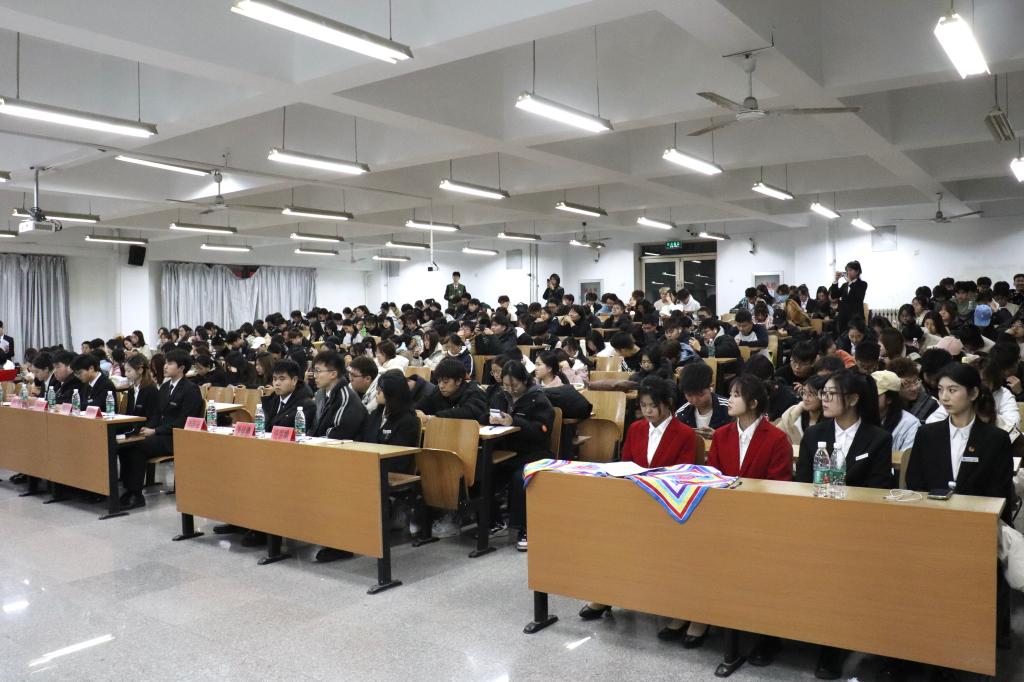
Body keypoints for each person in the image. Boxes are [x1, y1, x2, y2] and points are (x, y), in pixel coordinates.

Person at [904, 362, 1014, 652]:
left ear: (973, 393)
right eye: (941, 390)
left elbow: (1000, 492)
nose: (945, 397)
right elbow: (915, 482)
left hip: (977, 529)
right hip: (933, 526)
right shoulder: (928, 434)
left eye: (953, 390)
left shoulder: (995, 439)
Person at [578, 377, 698, 635]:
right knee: (609, 536)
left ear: (667, 404)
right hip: (634, 501)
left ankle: (677, 609)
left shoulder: (685, 434)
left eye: (653, 406)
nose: (648, 411)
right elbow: (626, 464)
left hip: (667, 506)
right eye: (643, 406)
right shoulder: (635, 429)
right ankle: (607, 594)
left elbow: (684, 475)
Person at [793, 369, 893, 679]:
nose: (823, 399)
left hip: (858, 528)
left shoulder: (877, 438)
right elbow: (801, 483)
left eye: (831, 394)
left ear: (852, 399)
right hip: (816, 522)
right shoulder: (815, 435)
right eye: (822, 393)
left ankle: (834, 644)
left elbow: (877, 492)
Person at [689, 374, 792, 671]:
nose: (729, 400)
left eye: (736, 395)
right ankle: (711, 617)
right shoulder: (722, 435)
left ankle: (768, 635)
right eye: (731, 394)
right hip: (725, 519)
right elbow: (712, 479)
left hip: (763, 524)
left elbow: (779, 487)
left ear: (754, 402)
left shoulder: (776, 438)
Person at [116, 350, 204, 509]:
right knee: (128, 444)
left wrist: (156, 431)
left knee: (138, 447)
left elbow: (184, 421)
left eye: (170, 363)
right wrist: (149, 428)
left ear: (181, 368)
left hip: (177, 437)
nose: (165, 366)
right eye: (165, 362)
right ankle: (128, 490)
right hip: (161, 434)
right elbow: (157, 414)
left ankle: (136, 495)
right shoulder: (164, 387)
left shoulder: (190, 389)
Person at [488, 361, 554, 552]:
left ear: (524, 381)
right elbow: (484, 415)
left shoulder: (538, 399)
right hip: (507, 451)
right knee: (484, 471)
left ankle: (524, 528)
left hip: (534, 452)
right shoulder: (500, 396)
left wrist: (514, 421)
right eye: (506, 385)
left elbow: (542, 431)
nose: (510, 390)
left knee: (520, 478)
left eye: (514, 385)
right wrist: (490, 419)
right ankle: (493, 521)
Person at [308, 350, 367, 441]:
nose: (315, 376)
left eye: (318, 371)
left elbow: (339, 433)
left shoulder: (346, 397)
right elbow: (314, 426)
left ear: (333, 374)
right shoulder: (320, 394)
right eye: (314, 371)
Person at [416, 357, 488, 423]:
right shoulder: (438, 391)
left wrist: (432, 418)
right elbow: (420, 405)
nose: (441, 386)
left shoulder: (474, 391)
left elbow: (470, 412)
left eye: (445, 382)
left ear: (458, 381)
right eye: (439, 381)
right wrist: (416, 412)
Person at [675, 362, 731, 440]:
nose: (695, 400)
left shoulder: (729, 409)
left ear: (711, 387)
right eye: (689, 395)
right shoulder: (681, 414)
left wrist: (718, 437)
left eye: (700, 394)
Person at [261, 359, 315, 432]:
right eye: (275, 379)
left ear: (294, 380)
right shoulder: (270, 400)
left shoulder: (306, 406)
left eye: (282, 379)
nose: (277, 383)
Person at [873, 370, 920, 452]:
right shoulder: (859, 418)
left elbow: (907, 457)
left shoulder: (910, 424)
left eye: (874, 395)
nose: (868, 398)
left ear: (889, 398)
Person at [777, 374, 828, 446]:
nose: (805, 398)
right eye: (804, 393)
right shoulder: (793, 413)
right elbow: (777, 435)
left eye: (810, 395)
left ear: (822, 396)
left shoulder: (830, 419)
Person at [888, 357, 939, 423]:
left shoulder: (929, 404)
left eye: (915, 381)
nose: (914, 388)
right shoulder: (887, 406)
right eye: (906, 384)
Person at [122, 354, 160, 433]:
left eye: (129, 371)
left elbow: (154, 416)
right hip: (132, 427)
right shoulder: (131, 389)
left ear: (140, 370)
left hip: (144, 429)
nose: (126, 374)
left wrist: (145, 429)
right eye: (125, 371)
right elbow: (129, 414)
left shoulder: (151, 389)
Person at [828, 260, 867, 337]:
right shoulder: (844, 285)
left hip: (856, 318)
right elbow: (834, 295)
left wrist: (850, 282)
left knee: (857, 337)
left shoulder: (862, 284)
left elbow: (858, 297)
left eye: (850, 270)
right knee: (843, 339)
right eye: (847, 270)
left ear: (857, 271)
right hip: (843, 318)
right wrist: (836, 280)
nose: (848, 272)